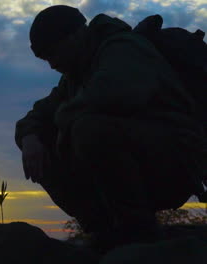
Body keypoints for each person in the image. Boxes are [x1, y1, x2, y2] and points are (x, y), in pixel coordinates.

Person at [15, 5, 206, 253]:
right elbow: (40, 113)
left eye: (52, 53)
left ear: (74, 36)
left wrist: (62, 120)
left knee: (88, 128)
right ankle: (103, 229)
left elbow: (111, 94)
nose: (52, 64)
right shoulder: (76, 74)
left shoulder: (124, 48)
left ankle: (138, 229)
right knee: (47, 141)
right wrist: (30, 137)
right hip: (142, 156)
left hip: (176, 159)